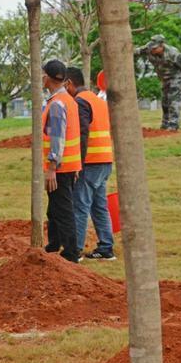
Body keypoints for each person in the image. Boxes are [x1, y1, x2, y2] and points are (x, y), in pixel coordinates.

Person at [66, 67, 116, 261]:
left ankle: (75, 250)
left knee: (80, 206)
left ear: (69, 83)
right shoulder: (98, 101)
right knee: (99, 206)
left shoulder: (80, 102)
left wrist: (77, 163)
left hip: (90, 162)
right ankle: (106, 248)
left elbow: (83, 133)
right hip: (105, 160)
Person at [41, 60, 82, 263]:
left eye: (42, 74)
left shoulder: (57, 104)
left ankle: (71, 253)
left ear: (48, 77)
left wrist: (51, 167)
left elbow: (58, 138)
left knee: (62, 210)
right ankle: (54, 244)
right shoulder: (69, 101)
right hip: (69, 165)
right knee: (55, 208)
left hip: (60, 167)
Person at [135, 35, 181, 131]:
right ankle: (165, 125)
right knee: (165, 102)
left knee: (173, 101)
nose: (152, 50)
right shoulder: (148, 48)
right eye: (151, 47)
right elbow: (137, 51)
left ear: (162, 46)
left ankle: (173, 125)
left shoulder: (172, 53)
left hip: (176, 77)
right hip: (164, 79)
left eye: (155, 48)